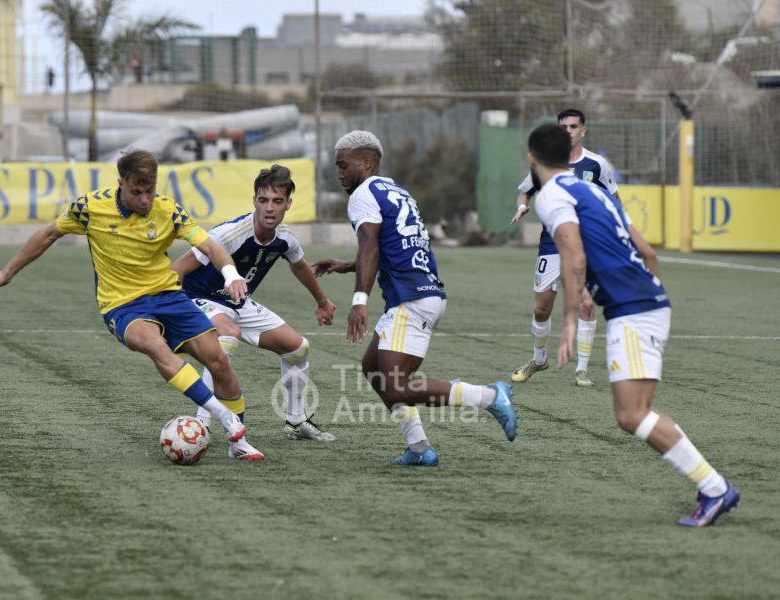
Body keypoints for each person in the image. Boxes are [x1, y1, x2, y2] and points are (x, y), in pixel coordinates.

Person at [0, 149, 263, 461]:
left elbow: (209, 245)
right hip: (123, 305)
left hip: (168, 296)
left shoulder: (168, 210)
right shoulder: (90, 207)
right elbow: (48, 234)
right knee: (155, 346)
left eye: (150, 191)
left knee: (218, 360)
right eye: (137, 192)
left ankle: (238, 445)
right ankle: (224, 418)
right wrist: (7, 273)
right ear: (121, 184)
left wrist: (231, 274)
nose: (146, 200)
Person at [529, 123, 739, 526]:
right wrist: (628, 291)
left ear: (532, 159)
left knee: (631, 415)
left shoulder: (552, 195)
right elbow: (646, 251)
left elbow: (573, 253)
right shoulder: (594, 191)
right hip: (649, 302)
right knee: (637, 411)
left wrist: (570, 318)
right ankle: (712, 486)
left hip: (633, 309)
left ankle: (714, 487)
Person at [312, 130, 517, 466]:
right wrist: (345, 266)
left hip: (412, 299)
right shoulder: (395, 189)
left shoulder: (362, 194)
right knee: (372, 368)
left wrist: (359, 300)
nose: (339, 173)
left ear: (366, 162)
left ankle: (490, 396)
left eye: (343, 165)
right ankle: (420, 448)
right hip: (423, 293)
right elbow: (393, 248)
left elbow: (371, 246)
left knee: (399, 388)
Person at [171, 164, 338, 444]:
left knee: (297, 348)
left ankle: (296, 422)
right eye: (263, 200)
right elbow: (178, 269)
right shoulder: (230, 234)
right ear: (254, 201)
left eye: (277, 201)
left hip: (238, 302)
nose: (269, 208)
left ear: (288, 204)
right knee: (227, 334)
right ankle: (203, 423)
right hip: (197, 298)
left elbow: (300, 266)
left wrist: (322, 301)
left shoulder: (285, 238)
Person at [510, 108, 637, 387]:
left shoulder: (597, 164)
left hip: (586, 243)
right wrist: (522, 205)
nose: (568, 131)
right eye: (563, 127)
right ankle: (539, 358)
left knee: (587, 304)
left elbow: (614, 198)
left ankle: (581, 369)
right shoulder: (544, 162)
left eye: (573, 126)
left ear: (583, 130)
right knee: (542, 308)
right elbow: (525, 191)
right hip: (551, 244)